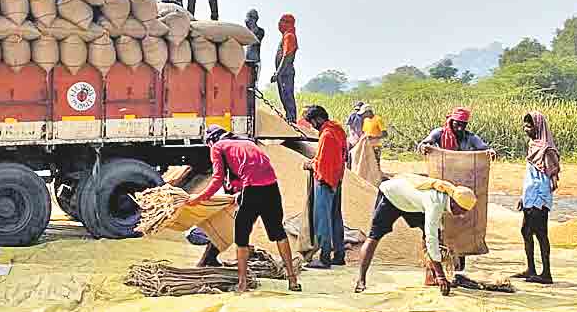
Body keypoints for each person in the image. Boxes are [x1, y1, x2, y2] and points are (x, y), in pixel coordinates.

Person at [185, 125, 302, 293]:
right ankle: (292, 280)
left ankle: (242, 284)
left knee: (241, 236)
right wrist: (237, 193)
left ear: (211, 140)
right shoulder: (247, 142)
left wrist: (198, 198)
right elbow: (251, 170)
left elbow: (218, 179)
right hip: (271, 187)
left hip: (252, 189)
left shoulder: (218, 147)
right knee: (279, 233)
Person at [355, 175, 477, 295]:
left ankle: (430, 277)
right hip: (391, 196)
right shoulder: (435, 203)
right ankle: (361, 280)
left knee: (434, 234)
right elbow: (431, 238)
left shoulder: (447, 195)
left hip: (412, 204)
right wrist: (442, 275)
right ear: (454, 203)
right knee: (374, 236)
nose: (462, 215)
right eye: (463, 210)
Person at [514, 111, 560, 285]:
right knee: (526, 231)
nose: (526, 129)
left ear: (538, 127)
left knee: (540, 234)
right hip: (530, 195)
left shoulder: (547, 150)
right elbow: (530, 176)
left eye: (530, 125)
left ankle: (546, 273)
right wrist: (523, 196)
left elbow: (552, 179)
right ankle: (531, 269)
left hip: (539, 198)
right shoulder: (533, 145)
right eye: (525, 125)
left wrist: (540, 198)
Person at [301, 106, 346, 269]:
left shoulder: (326, 135)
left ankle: (325, 257)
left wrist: (310, 165)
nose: (312, 126)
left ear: (318, 119)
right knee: (335, 217)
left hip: (325, 181)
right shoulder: (338, 130)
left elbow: (322, 164)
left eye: (312, 122)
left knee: (322, 219)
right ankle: (339, 255)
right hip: (337, 178)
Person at [417, 107, 496, 157]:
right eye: (457, 124)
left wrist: (490, 152)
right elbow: (423, 144)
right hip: (443, 166)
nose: (459, 128)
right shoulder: (439, 133)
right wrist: (424, 147)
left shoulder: (470, 137)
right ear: (451, 122)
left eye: (463, 125)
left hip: (464, 169)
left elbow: (485, 148)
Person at [271, 14, 298, 123]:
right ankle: (290, 119)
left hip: (286, 73)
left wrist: (278, 73)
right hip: (284, 73)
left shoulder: (289, 36)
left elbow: (287, 56)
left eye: (282, 21)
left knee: (287, 97)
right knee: (284, 97)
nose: (279, 24)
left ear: (288, 23)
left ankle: (291, 120)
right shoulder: (286, 36)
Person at [244, 9, 264, 76]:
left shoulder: (260, 31)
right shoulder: (245, 31)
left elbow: (255, 41)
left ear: (254, 19)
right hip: (245, 62)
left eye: (249, 18)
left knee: (252, 83)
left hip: (255, 62)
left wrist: (251, 27)